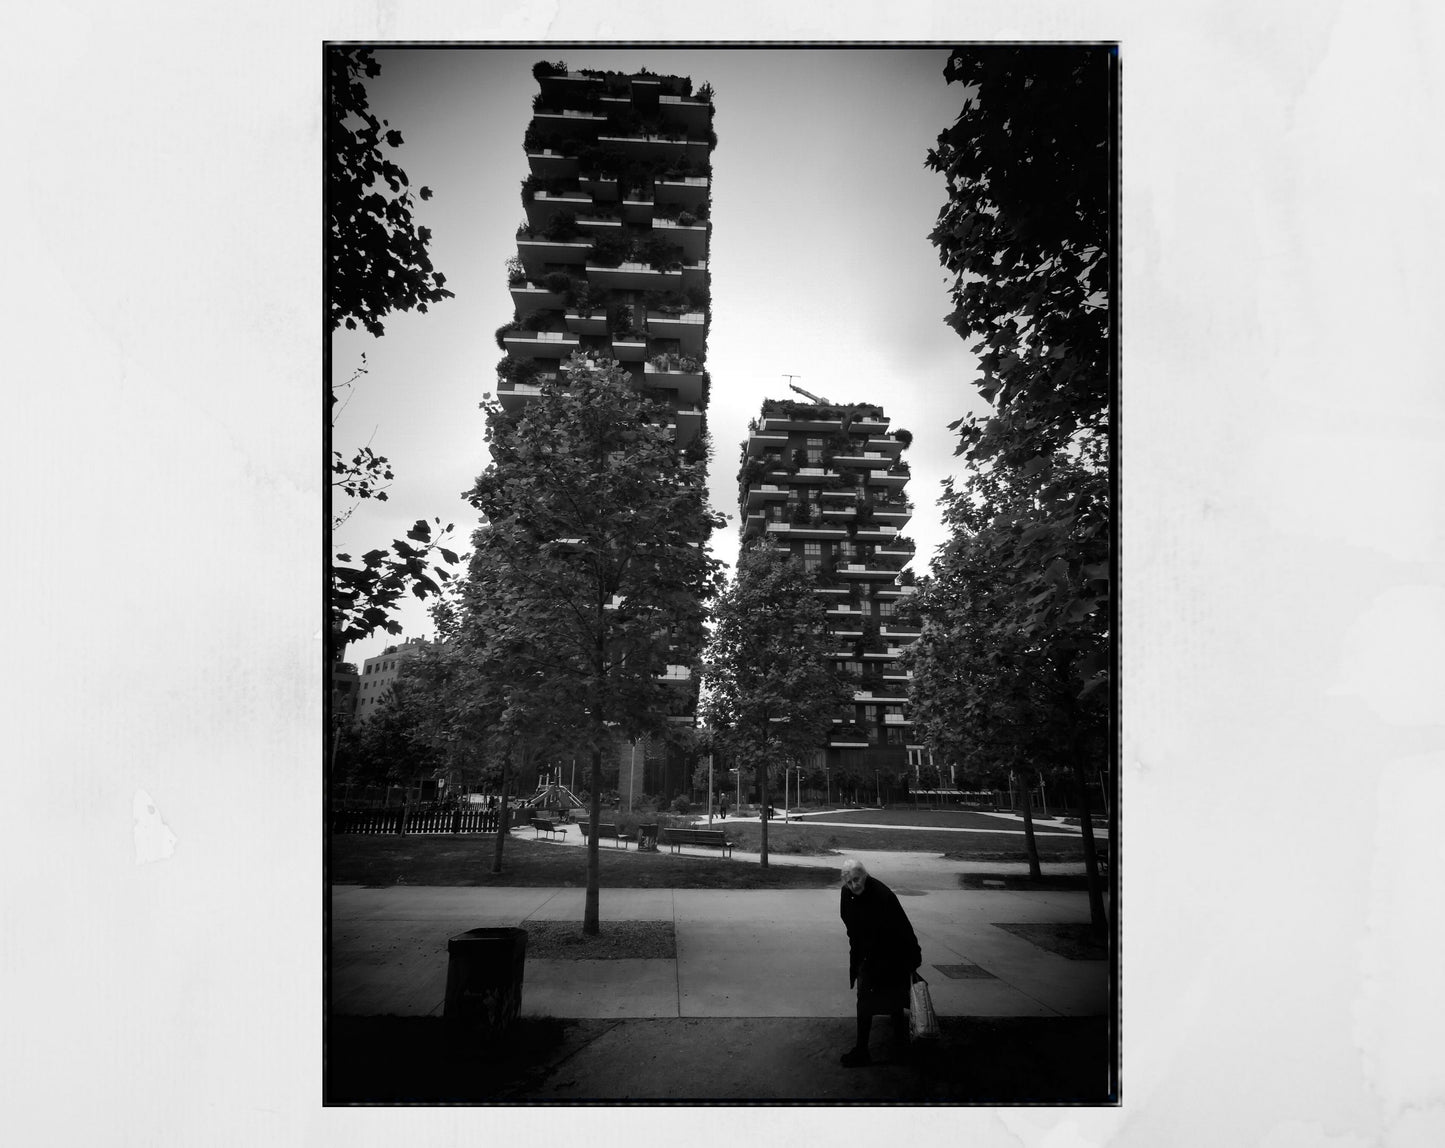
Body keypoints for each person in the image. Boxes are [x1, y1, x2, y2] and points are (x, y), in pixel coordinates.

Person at [838, 858, 922, 1067]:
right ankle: (863, 1050)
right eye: (849, 883)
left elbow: (903, 930)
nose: (854, 885)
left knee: (894, 1001)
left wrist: (911, 961)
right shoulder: (846, 894)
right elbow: (849, 924)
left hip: (892, 955)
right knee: (865, 1002)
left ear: (865, 875)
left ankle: (900, 1048)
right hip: (867, 956)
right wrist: (858, 957)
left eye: (857, 880)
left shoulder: (883, 896)